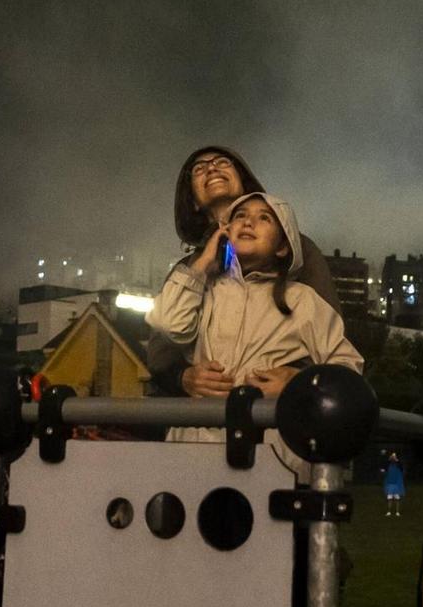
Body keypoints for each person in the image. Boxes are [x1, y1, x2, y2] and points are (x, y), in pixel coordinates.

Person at [145, 192, 362, 467]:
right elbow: (168, 323)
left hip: (272, 452)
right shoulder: (202, 290)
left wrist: (297, 383)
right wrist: (202, 262)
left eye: (264, 218)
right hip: (193, 447)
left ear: (282, 246)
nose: (248, 222)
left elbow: (348, 368)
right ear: (225, 233)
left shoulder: (303, 300)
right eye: (240, 216)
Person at [147, 146, 339, 398]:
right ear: (193, 201)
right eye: (199, 168)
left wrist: (299, 379)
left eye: (223, 162)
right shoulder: (189, 271)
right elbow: (161, 347)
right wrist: (182, 378)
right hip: (201, 413)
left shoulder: (297, 251)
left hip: (273, 410)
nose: (212, 168)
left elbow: (331, 337)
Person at [383, 453, 405, 518]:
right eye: (392, 457)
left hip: (397, 485)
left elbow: (401, 467)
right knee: (389, 499)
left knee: (397, 499)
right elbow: (385, 467)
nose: (393, 458)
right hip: (390, 484)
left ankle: (397, 512)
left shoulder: (398, 465)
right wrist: (389, 460)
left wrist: (397, 460)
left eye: (394, 457)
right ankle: (389, 512)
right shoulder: (388, 465)